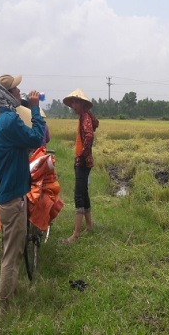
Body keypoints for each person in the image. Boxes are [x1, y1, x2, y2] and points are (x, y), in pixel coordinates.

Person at [0, 74, 45, 312]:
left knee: (11, 248)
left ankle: (9, 290)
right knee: (12, 253)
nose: (20, 93)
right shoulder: (10, 121)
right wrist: (35, 109)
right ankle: (4, 305)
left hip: (5, 196)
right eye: (16, 90)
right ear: (8, 94)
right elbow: (37, 137)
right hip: (13, 199)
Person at [62, 88, 99, 244]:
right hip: (83, 161)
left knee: (78, 195)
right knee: (83, 193)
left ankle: (75, 235)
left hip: (83, 162)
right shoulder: (85, 117)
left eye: (75, 102)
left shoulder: (85, 118)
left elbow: (89, 136)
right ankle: (89, 225)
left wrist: (82, 155)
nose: (72, 106)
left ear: (82, 104)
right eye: (72, 103)